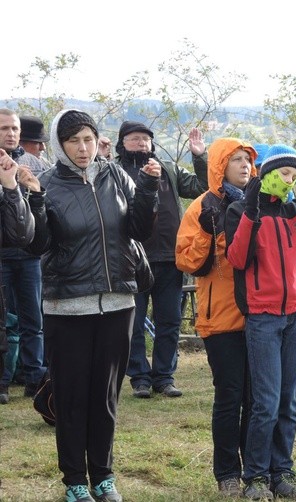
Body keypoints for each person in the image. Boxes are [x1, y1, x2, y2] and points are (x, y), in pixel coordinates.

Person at [26, 109, 160, 501]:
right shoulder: (47, 183)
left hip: (119, 302)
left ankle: (103, 476)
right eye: (73, 141)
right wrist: (33, 199)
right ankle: (75, 482)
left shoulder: (115, 175)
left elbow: (138, 230)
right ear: (59, 144)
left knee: (105, 398)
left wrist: (149, 188)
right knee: (71, 400)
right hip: (67, 307)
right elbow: (37, 245)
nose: (83, 149)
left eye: (88, 139)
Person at [225, 144, 296, 499]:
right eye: (285, 175)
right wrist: (251, 211)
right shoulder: (239, 210)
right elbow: (237, 259)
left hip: (295, 313)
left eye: (295, 177)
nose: (290, 182)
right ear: (267, 174)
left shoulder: (294, 211)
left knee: (288, 400)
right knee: (265, 401)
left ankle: (281, 472)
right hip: (263, 317)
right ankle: (256, 477)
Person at [175, 137, 257, 498]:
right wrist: (210, 232)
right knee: (230, 396)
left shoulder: (261, 203)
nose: (244, 166)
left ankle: (255, 468)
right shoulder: (201, 206)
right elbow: (187, 261)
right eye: (236, 160)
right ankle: (227, 473)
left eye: (247, 160)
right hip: (220, 318)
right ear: (219, 165)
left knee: (258, 399)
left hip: (259, 317)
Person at [117, 122, 207, 399]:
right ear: (122, 143)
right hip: (132, 260)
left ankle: (164, 377)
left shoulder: (168, 169)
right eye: (134, 139)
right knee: (133, 324)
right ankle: (140, 378)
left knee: (169, 320)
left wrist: (200, 156)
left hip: (171, 258)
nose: (141, 144)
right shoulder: (115, 172)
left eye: (145, 139)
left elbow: (201, 186)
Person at [0, 110, 50, 404]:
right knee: (4, 323)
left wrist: (34, 187)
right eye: (4, 128)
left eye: (14, 128)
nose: (10, 133)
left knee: (34, 320)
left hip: (30, 254)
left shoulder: (33, 164)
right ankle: (4, 381)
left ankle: (35, 378)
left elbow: (45, 203)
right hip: (1, 255)